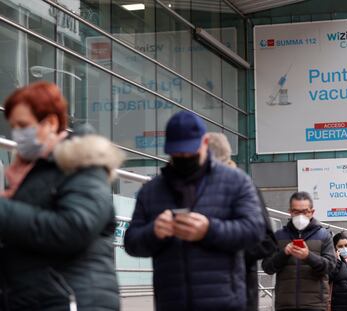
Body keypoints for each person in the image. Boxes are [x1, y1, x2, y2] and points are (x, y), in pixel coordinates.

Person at [124, 111, 265, 311]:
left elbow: (256, 231)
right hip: (172, 302)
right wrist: (154, 231)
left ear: (205, 142)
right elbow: (131, 242)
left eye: (190, 152)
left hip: (224, 303)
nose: (184, 157)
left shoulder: (235, 181)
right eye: (177, 153)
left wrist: (209, 229)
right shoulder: (151, 190)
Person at [0, 81, 122, 310]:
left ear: (51, 123)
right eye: (13, 126)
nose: (17, 133)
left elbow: (74, 228)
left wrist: (5, 210)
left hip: (73, 300)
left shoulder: (83, 165)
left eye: (24, 125)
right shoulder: (33, 172)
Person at [207, 132, 277, 311]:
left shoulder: (245, 188)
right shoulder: (195, 191)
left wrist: (225, 247)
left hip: (239, 290)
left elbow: (267, 243)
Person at [262, 191, 336, 311]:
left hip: (315, 305)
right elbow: (267, 267)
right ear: (290, 212)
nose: (300, 216)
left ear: (312, 212)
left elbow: (331, 267)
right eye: (296, 212)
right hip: (285, 305)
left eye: (305, 211)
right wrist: (284, 253)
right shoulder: (279, 236)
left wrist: (308, 256)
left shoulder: (324, 236)